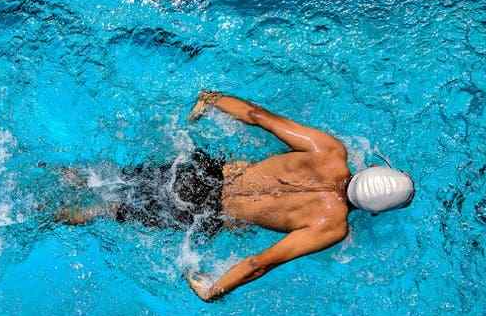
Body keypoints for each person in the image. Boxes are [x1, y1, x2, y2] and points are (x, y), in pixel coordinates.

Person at [55, 91, 415, 301]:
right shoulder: (331, 226)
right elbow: (261, 263)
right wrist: (214, 289)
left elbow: (259, 116)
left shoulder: (329, 151)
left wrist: (213, 99)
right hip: (206, 212)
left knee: (109, 178)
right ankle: (51, 214)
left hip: (202, 171)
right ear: (375, 211)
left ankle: (59, 174)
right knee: (109, 210)